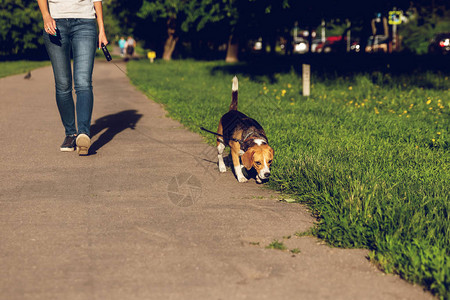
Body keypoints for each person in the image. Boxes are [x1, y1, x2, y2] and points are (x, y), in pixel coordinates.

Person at [37, 0, 108, 155]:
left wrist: (101, 29)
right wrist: (46, 16)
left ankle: (83, 134)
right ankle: (70, 134)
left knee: (83, 82)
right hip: (55, 23)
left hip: (85, 23)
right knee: (63, 84)